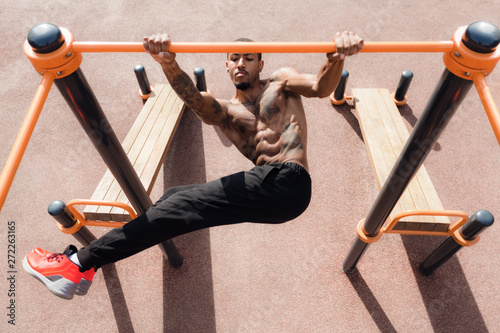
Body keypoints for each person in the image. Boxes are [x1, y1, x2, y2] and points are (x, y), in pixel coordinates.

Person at [23, 31, 364, 300]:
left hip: (288, 179)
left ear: (262, 62)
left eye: (249, 57)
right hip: (271, 191)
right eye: (234, 58)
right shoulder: (228, 112)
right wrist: (168, 63)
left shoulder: (282, 81)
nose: (241, 62)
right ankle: (83, 270)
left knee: (179, 205)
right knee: (174, 198)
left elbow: (321, 87)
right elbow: (196, 101)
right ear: (227, 67)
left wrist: (335, 57)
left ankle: (77, 264)